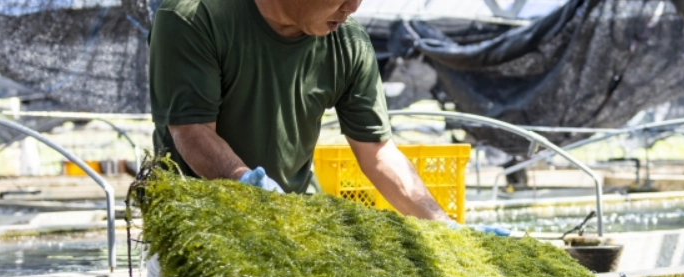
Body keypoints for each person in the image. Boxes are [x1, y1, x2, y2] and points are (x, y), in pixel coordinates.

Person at [149, 0, 458, 222]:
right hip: (191, 220)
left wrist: (441, 225)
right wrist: (247, 184)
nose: (353, 7)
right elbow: (192, 131)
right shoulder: (194, 16)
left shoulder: (349, 43)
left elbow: (377, 153)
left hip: (289, 219)